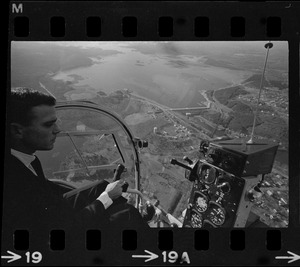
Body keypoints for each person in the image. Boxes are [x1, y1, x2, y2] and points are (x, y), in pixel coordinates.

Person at [2, 87, 149, 244]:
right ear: (17, 131)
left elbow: (45, 190)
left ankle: (117, 213)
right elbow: (65, 229)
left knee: (100, 185)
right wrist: (106, 198)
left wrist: (102, 195)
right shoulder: (14, 182)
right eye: (48, 125)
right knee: (127, 214)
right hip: (55, 236)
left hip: (52, 209)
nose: (58, 130)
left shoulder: (26, 159)